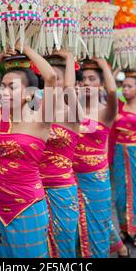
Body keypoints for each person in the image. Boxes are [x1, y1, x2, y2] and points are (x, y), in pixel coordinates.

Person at [0, 44, 57, 258]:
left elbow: (50, 77)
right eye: (2, 86)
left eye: (11, 87)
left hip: (28, 206)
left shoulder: (41, 120)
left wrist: (27, 49)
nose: (4, 92)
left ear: (28, 93)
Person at [73, 58, 119, 258]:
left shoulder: (105, 112)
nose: (87, 84)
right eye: (83, 79)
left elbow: (112, 93)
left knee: (98, 224)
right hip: (70, 177)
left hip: (96, 178)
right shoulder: (72, 110)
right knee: (73, 225)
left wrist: (103, 65)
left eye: (92, 79)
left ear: (100, 84)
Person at [38, 51, 81, 258]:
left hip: (62, 189)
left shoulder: (71, 114)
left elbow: (70, 89)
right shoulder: (32, 113)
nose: (53, 83)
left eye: (58, 78)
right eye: (49, 78)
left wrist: (69, 58)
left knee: (64, 246)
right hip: (33, 190)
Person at [109, 71, 136, 248]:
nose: (125, 90)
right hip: (120, 154)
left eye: (129, 86)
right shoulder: (118, 108)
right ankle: (125, 229)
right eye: (123, 86)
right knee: (120, 195)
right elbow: (109, 90)